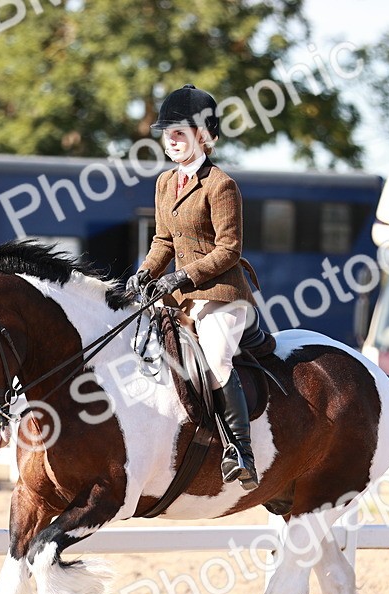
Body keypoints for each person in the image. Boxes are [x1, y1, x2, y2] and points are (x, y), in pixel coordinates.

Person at [126, 84, 259, 490]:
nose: (172, 140)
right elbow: (163, 240)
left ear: (204, 135)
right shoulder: (166, 183)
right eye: (168, 134)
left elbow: (229, 249)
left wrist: (184, 276)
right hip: (179, 297)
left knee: (217, 359)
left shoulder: (221, 185)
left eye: (180, 132)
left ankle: (240, 450)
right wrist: (145, 272)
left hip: (220, 295)